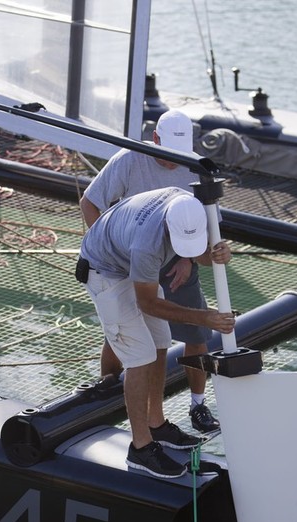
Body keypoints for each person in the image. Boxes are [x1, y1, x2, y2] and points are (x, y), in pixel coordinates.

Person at [80, 109, 221, 434]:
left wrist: (188, 256)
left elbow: (204, 225)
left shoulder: (198, 168)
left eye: (180, 154)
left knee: (191, 336)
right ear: (154, 140)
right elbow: (90, 202)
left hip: (178, 250)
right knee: (128, 337)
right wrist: (112, 248)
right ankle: (111, 391)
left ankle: (196, 405)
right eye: (167, 153)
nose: (174, 162)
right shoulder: (129, 160)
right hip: (130, 254)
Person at [78, 187, 235, 479]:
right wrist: (205, 317)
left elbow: (199, 254)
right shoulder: (147, 244)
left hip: (126, 258)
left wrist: (217, 254)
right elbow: (147, 303)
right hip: (105, 270)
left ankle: (156, 423)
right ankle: (140, 448)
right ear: (168, 228)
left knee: (161, 342)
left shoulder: (194, 210)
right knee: (139, 356)